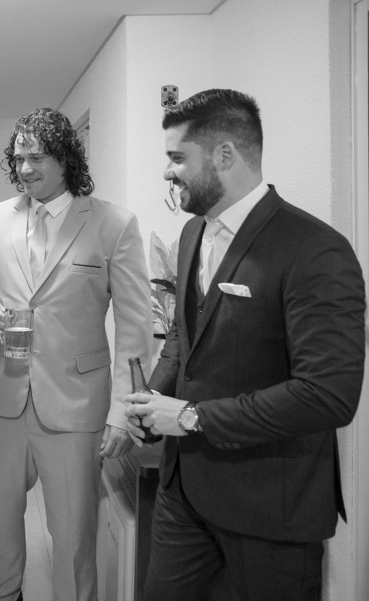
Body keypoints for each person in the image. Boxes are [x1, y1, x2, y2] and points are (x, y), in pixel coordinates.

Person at [125, 88, 365, 601]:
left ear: (225, 155)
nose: (167, 172)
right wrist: (154, 397)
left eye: (177, 158)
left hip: (270, 510)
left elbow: (328, 395)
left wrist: (191, 416)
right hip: (183, 495)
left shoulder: (315, 249)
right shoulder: (192, 234)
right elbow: (185, 337)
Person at [0, 107, 152, 601]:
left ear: (66, 158)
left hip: (76, 405)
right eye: (18, 158)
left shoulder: (114, 224)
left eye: (37, 157)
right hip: (2, 398)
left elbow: (134, 327)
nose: (24, 169)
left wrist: (122, 411)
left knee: (72, 542)